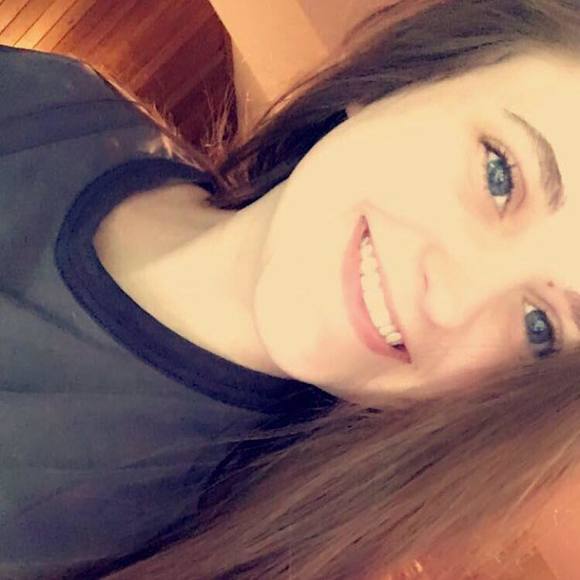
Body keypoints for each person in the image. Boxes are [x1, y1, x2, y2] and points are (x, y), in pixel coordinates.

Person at [3, 0, 580, 578]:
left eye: (540, 327)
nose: (451, 303)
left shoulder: (218, 552)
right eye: (500, 177)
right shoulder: (58, 102)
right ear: (402, 79)